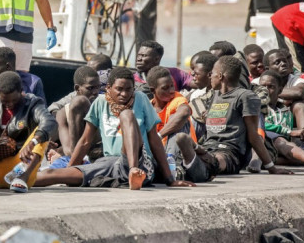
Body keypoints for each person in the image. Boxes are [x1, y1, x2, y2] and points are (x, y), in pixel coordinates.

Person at [36, 67, 194, 189]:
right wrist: (70, 169)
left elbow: (154, 140)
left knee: (126, 115)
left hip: (141, 164)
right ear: (109, 88)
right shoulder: (99, 102)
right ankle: (16, 181)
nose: (124, 94)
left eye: (129, 89)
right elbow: (85, 141)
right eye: (119, 89)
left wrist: (169, 180)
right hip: (110, 162)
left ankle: (133, 172)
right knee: (52, 174)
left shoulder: (141, 99)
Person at [174, 56, 292, 183]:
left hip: (230, 151)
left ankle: (205, 166)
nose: (210, 76)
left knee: (218, 160)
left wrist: (271, 167)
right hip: (208, 146)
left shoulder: (245, 96)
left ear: (220, 76)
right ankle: (193, 160)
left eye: (212, 73)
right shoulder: (214, 95)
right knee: (181, 149)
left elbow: (254, 135)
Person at [0, 72, 57, 193]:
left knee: (42, 131)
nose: (10, 104)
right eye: (4, 101)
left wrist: (33, 142)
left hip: (21, 167)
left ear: (22, 91)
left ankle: (23, 178)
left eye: (14, 100)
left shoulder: (33, 103)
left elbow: (49, 121)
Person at [48, 66, 102, 168]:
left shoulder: (103, 105)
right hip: (78, 159)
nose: (96, 92)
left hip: (100, 158)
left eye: (98, 87)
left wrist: (59, 152)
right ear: (77, 88)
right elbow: (69, 150)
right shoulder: (62, 114)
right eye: (90, 88)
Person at [254, 49, 304, 142]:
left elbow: (299, 92)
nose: (283, 64)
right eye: (277, 62)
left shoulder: (296, 80)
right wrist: (284, 98)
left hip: (289, 118)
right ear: (268, 68)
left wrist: (273, 94)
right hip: (268, 121)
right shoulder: (258, 81)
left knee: (300, 105)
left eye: (284, 61)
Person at [147, 66, 195, 153]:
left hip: (182, 153)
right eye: (165, 88)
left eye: (172, 85)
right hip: (157, 154)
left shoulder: (177, 98)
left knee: (179, 119)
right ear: (152, 90)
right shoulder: (147, 107)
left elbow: (184, 112)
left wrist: (158, 136)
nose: (172, 90)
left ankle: (172, 162)